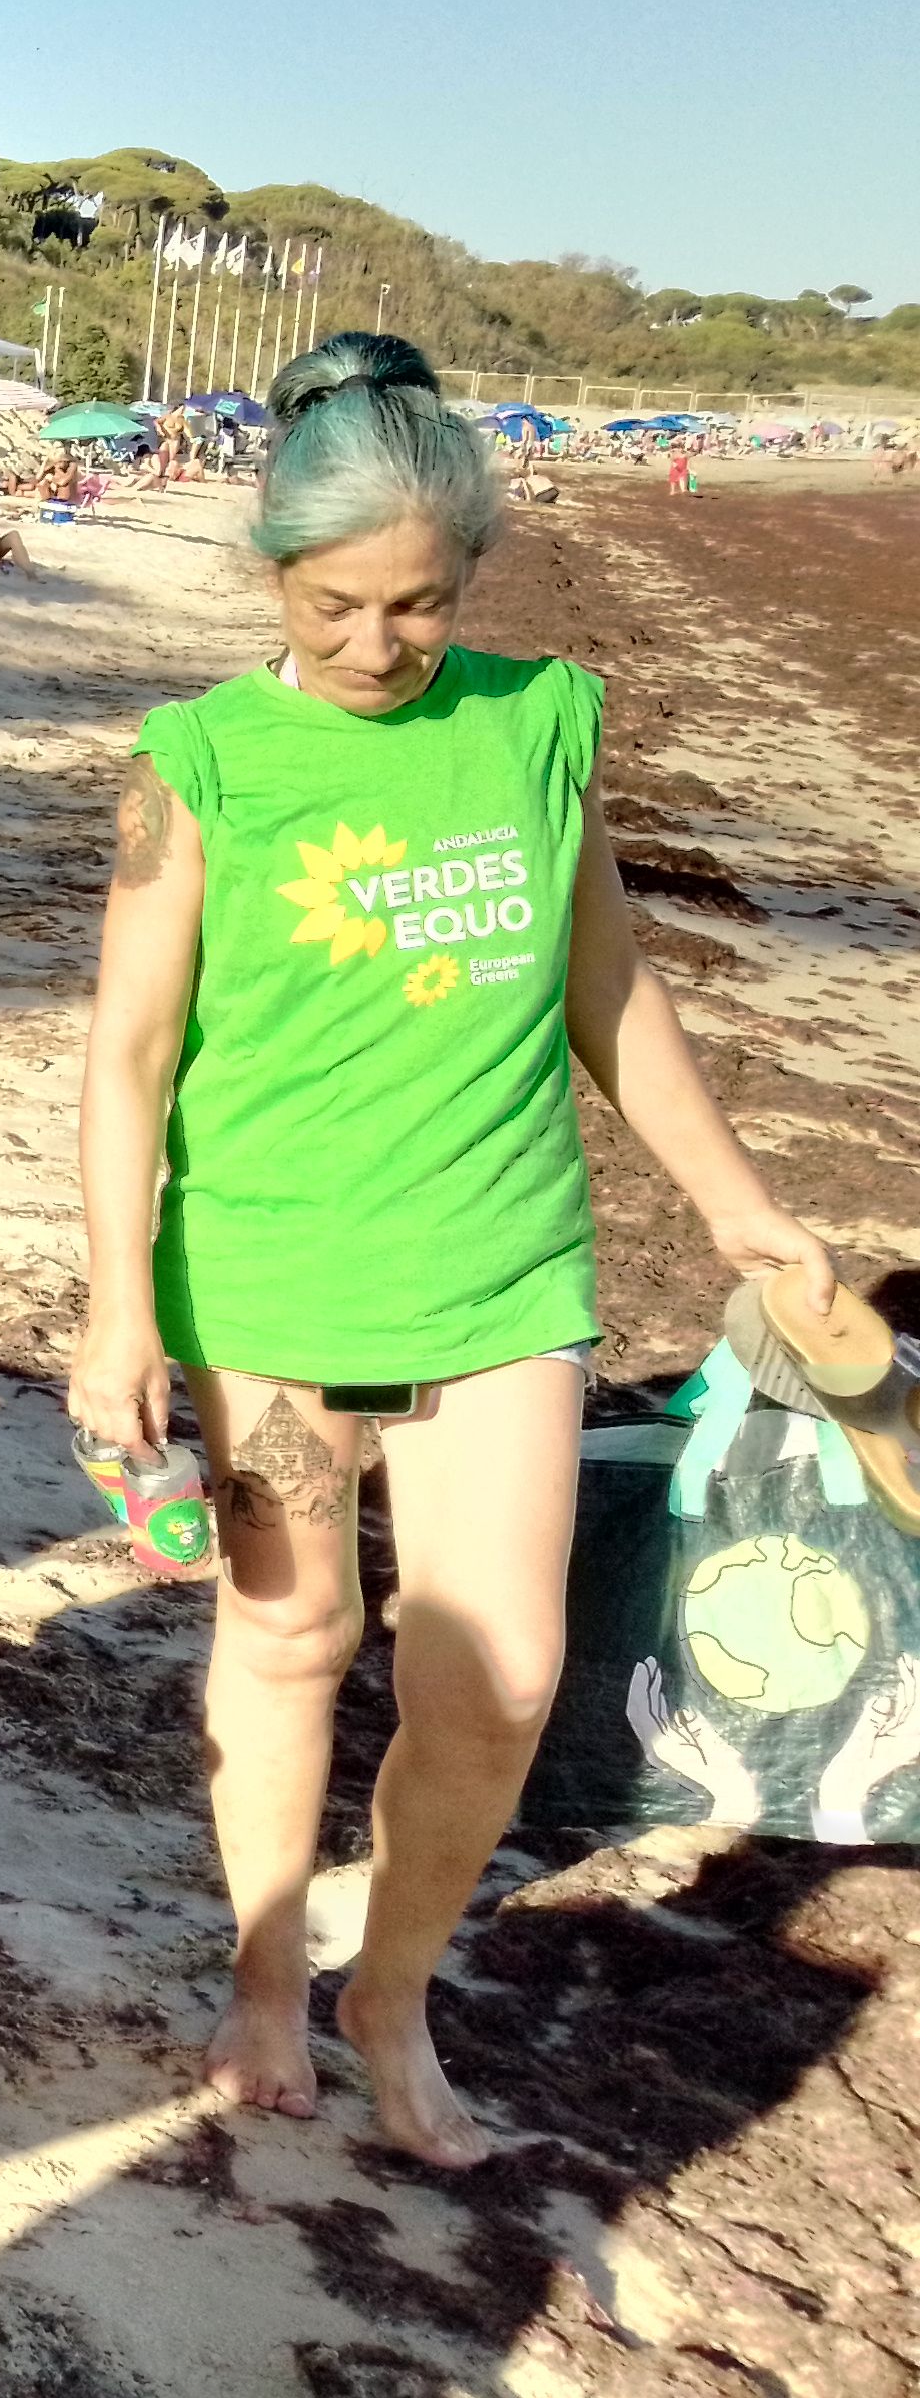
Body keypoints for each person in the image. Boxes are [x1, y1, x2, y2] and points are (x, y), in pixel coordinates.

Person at [71, 332, 838, 2169]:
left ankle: (388, 1994)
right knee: (292, 1634)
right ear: (276, 570)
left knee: (496, 1679)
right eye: (335, 604)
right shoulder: (199, 764)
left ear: (469, 581)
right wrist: (117, 1309)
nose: (373, 645)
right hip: (263, 1290)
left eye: (417, 606)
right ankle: (265, 1977)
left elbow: (615, 991)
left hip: (502, 1278)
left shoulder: (538, 723)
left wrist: (739, 1204)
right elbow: (128, 1054)